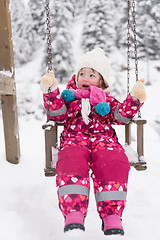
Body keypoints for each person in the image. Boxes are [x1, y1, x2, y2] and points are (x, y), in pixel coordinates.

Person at [40, 48, 146, 235]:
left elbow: (121, 116)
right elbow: (56, 114)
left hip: (104, 140)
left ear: (101, 80)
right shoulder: (70, 99)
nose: (85, 78)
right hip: (74, 138)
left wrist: (135, 99)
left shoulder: (107, 101)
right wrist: (51, 91)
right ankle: (74, 213)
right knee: (72, 160)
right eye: (82, 74)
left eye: (91, 74)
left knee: (113, 161)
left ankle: (111, 214)